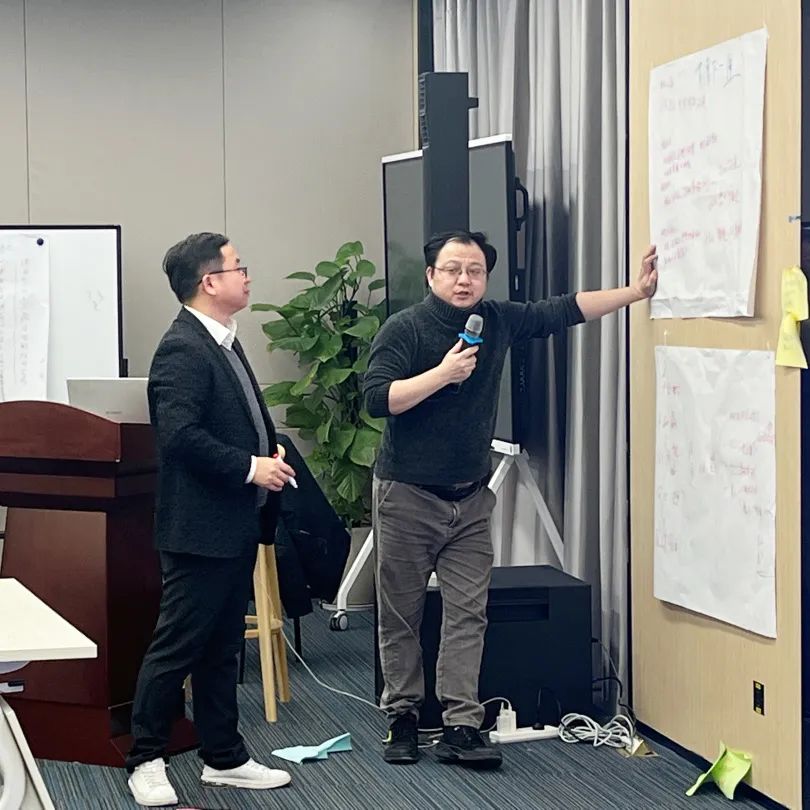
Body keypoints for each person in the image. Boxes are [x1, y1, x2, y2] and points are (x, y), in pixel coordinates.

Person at [363, 229, 658, 769]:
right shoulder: (404, 328)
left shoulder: (496, 320)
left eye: (474, 270)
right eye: (453, 269)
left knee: (468, 614)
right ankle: (402, 717)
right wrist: (442, 374)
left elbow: (563, 310)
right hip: (407, 495)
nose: (464, 280)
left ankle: (460, 724)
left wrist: (635, 293)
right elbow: (378, 399)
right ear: (430, 275)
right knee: (402, 615)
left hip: (471, 499)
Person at [126, 232, 297, 806]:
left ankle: (223, 757)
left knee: (222, 648)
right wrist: (251, 467)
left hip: (234, 525)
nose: (247, 275)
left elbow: (235, 422)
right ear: (209, 281)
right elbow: (179, 438)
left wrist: (267, 453)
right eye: (237, 267)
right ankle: (145, 759)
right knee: (177, 647)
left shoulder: (224, 340)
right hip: (199, 529)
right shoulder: (183, 348)